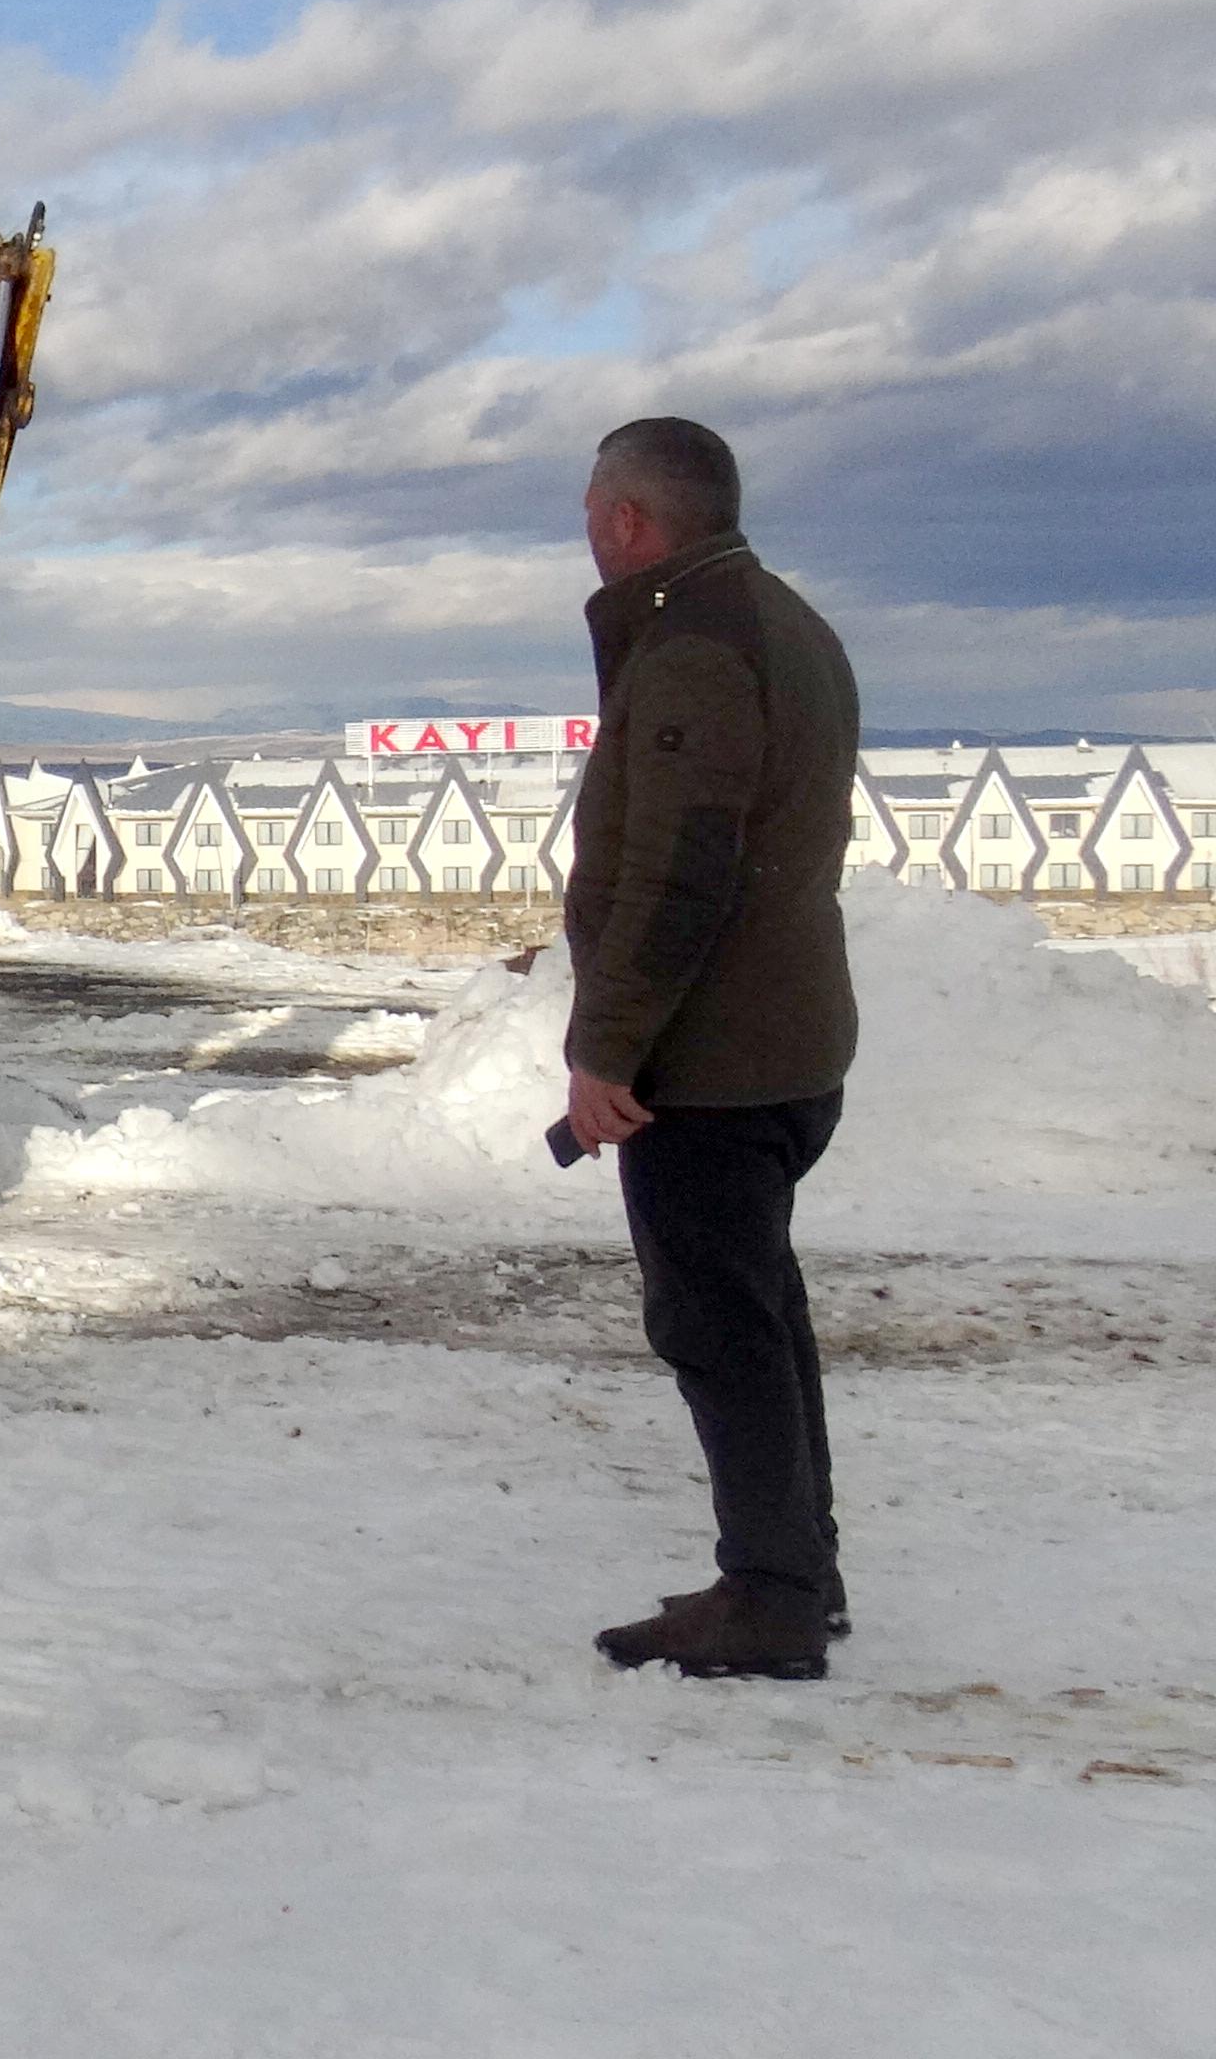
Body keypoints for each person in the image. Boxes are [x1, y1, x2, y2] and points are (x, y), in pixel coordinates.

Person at [560, 417, 863, 1682]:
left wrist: (607, 1052)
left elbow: (680, 873)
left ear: (630, 521)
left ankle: (773, 1601)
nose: (583, 528)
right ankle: (797, 1569)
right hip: (786, 1043)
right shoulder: (783, 621)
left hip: (715, 1063)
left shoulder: (692, 646)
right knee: (763, 1314)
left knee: (721, 1327)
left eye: (590, 507)